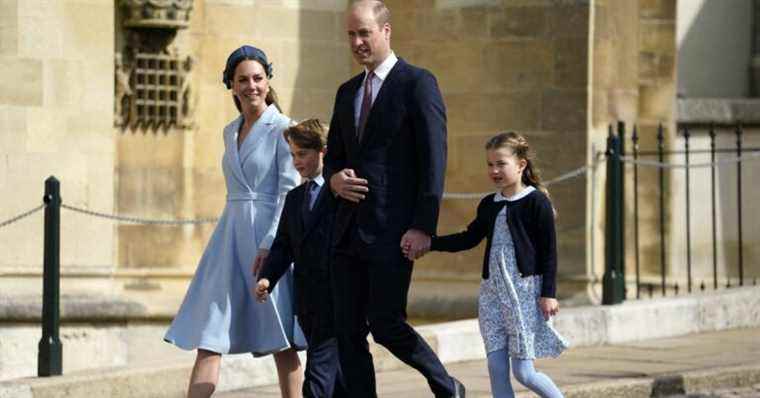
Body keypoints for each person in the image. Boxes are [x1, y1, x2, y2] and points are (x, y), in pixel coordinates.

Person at [323, 1, 464, 396]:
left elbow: (434, 160)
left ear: (386, 31)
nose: (357, 42)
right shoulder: (346, 91)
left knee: (385, 324)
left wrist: (423, 226)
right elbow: (333, 155)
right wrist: (333, 179)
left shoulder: (417, 83)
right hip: (346, 231)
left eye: (364, 32)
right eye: (351, 34)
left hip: (393, 231)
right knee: (346, 331)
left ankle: (447, 386)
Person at [164, 45, 305, 398]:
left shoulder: (285, 129)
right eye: (242, 79)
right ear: (231, 84)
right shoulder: (229, 131)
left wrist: (270, 245)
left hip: (268, 240)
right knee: (209, 335)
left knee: (281, 340)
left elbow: (290, 193)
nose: (251, 86)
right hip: (229, 240)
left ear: (268, 81)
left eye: (258, 78)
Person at [418, 132, 569, 398]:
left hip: (522, 294)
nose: (494, 170)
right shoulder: (489, 204)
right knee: (496, 367)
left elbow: (550, 253)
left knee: (524, 372)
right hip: (491, 295)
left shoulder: (537, 202)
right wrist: (431, 243)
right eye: (490, 164)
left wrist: (549, 293)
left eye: (501, 163)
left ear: (521, 165)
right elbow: (468, 239)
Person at [254, 118, 348, 398]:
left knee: (317, 379)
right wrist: (267, 278)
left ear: (323, 152)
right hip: (307, 302)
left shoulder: (341, 193)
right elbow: (283, 246)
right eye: (293, 155)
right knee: (341, 382)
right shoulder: (294, 198)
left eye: (302, 154)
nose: (296, 162)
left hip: (338, 300)